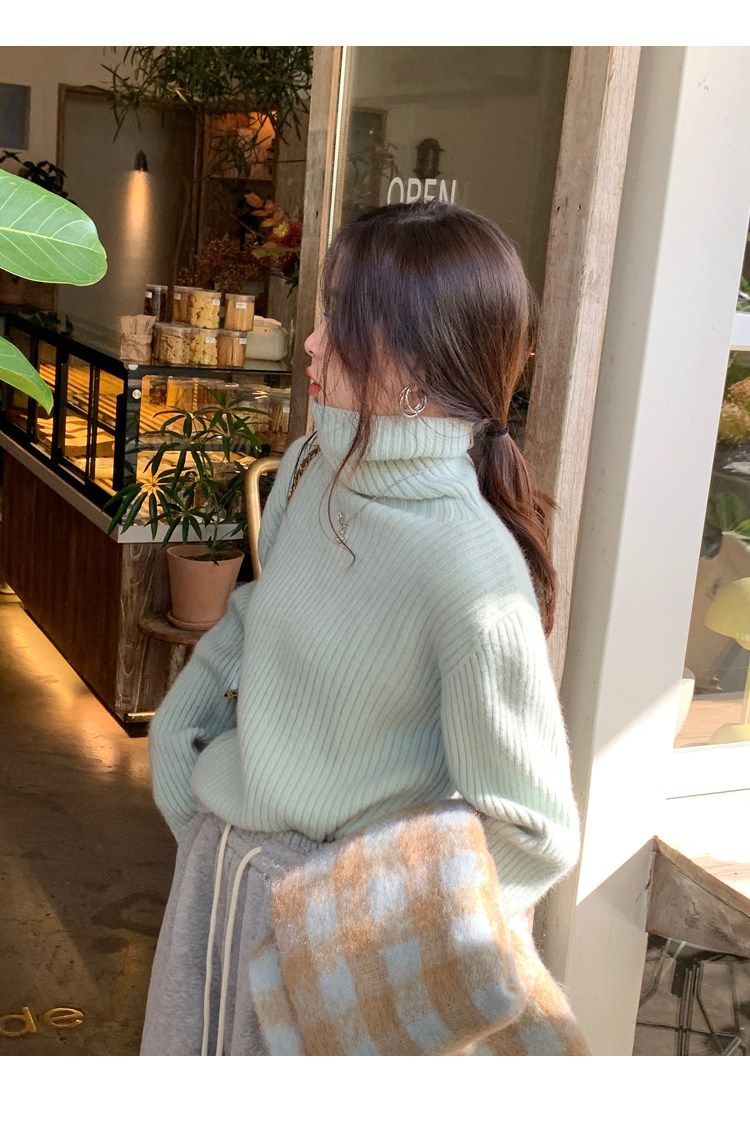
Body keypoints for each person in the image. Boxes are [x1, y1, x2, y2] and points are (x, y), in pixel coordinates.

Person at [139, 200, 580, 1056]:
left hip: (324, 955)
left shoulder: (472, 570)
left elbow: (534, 830)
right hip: (215, 889)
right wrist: (177, 740)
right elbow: (255, 613)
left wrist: (350, 932)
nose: (311, 341)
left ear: (420, 363)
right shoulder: (313, 464)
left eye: (341, 316)